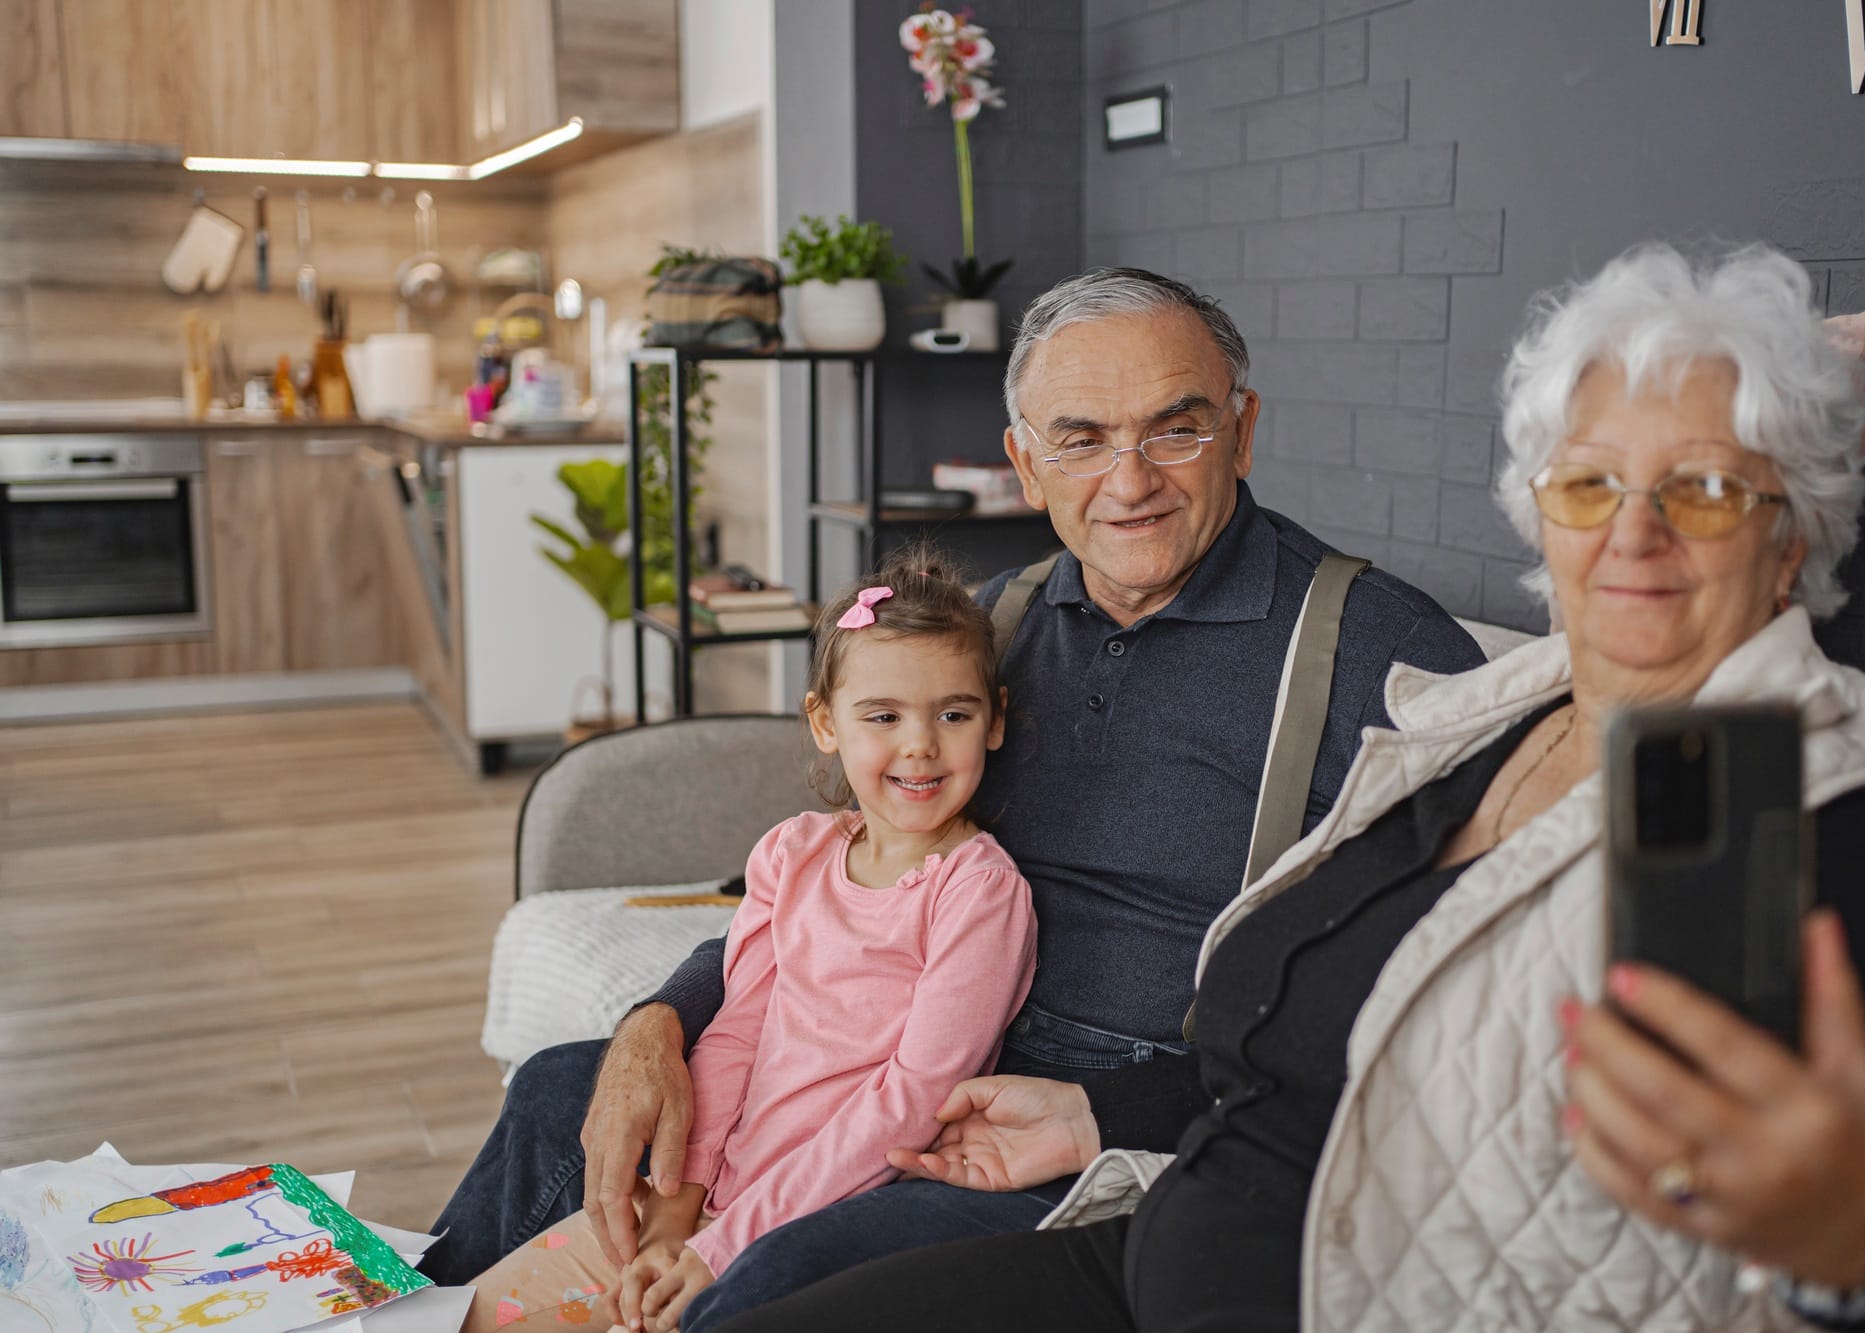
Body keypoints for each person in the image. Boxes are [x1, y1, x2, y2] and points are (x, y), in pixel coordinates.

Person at [712, 243, 1865, 1332]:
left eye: (1708, 490)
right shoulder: (1483, 720)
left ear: (1797, 530)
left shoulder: (1786, 787)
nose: (1634, 535)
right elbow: (1303, 1040)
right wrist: (1104, 1112)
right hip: (1158, 1218)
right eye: (1589, 482)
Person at [420, 268, 1486, 1327]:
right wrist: (657, 1020)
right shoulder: (993, 631)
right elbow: (803, 899)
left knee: (761, 1284)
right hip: (888, 1058)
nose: (1128, 481)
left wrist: (1107, 1111)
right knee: (561, 1096)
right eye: (1079, 438)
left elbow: (1441, 996)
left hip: (1094, 1126)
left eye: (1176, 429)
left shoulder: (1380, 659)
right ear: (1024, 463)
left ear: (1241, 432)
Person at [458, 548, 1037, 1333]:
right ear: (825, 723)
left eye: (954, 714)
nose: (920, 746)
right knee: (466, 1317)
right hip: (707, 1204)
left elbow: (911, 1104)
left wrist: (722, 1244)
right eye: (884, 715)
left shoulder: (980, 893)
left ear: (994, 718)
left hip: (813, 1219)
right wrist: (673, 1209)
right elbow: (734, 1035)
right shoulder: (791, 854)